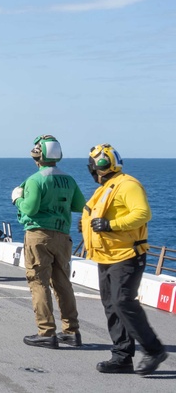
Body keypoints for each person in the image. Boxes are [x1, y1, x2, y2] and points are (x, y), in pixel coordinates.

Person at [81, 144, 168, 375]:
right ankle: (121, 357)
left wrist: (111, 225)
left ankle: (154, 349)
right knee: (111, 305)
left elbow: (142, 213)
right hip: (106, 255)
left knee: (123, 302)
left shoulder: (128, 184)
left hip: (126, 255)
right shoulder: (106, 188)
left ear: (97, 166)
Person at [12, 134, 85, 349]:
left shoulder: (35, 180)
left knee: (38, 282)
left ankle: (46, 331)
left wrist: (17, 198)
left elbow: (30, 208)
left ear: (38, 156)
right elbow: (80, 205)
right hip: (62, 236)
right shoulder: (69, 180)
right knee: (63, 283)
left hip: (39, 235)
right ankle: (71, 331)